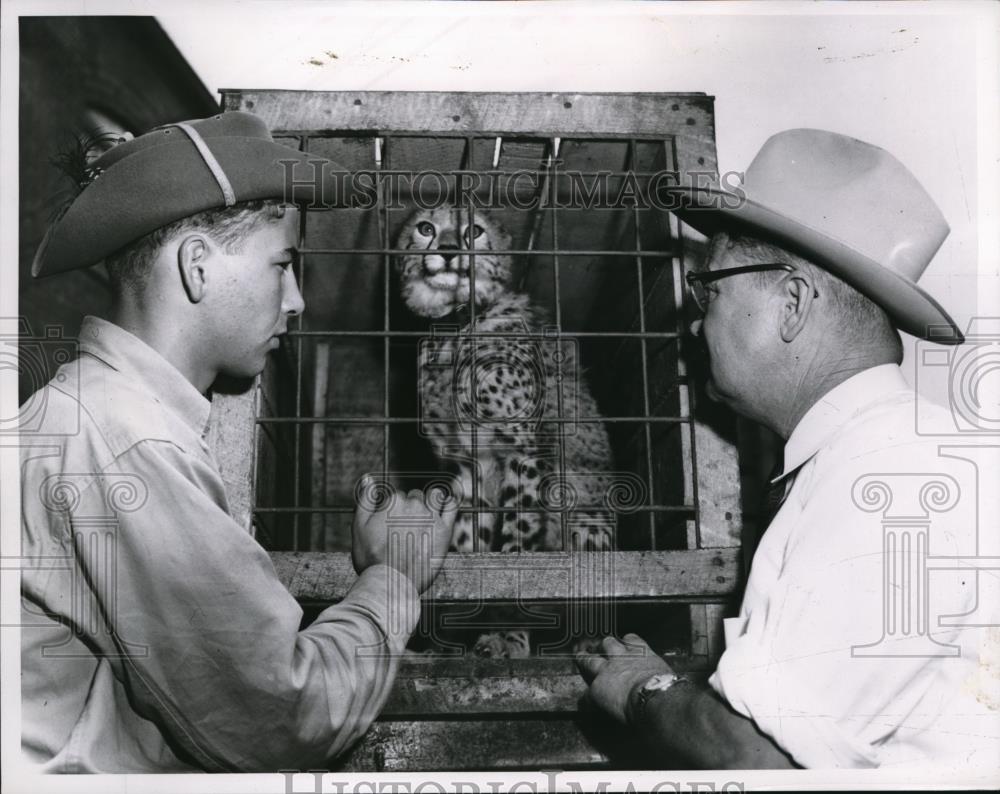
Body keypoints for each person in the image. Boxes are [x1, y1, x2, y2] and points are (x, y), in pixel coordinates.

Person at [20, 112, 457, 772]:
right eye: (281, 264)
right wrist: (394, 575)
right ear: (198, 266)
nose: (298, 299)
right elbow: (283, 717)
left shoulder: (96, 420)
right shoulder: (125, 442)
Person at [576, 128, 999, 768]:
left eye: (710, 290)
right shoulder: (894, 453)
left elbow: (757, 759)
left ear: (792, 303)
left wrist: (641, 689)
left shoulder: (884, 476)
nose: (696, 321)